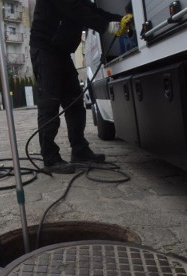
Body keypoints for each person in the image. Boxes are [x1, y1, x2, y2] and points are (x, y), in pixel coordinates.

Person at [30, 0, 122, 174]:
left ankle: (79, 150)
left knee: (75, 104)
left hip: (62, 53)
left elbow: (90, 10)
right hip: (45, 50)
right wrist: (106, 26)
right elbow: (74, 10)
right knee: (49, 105)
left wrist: (120, 19)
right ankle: (50, 158)